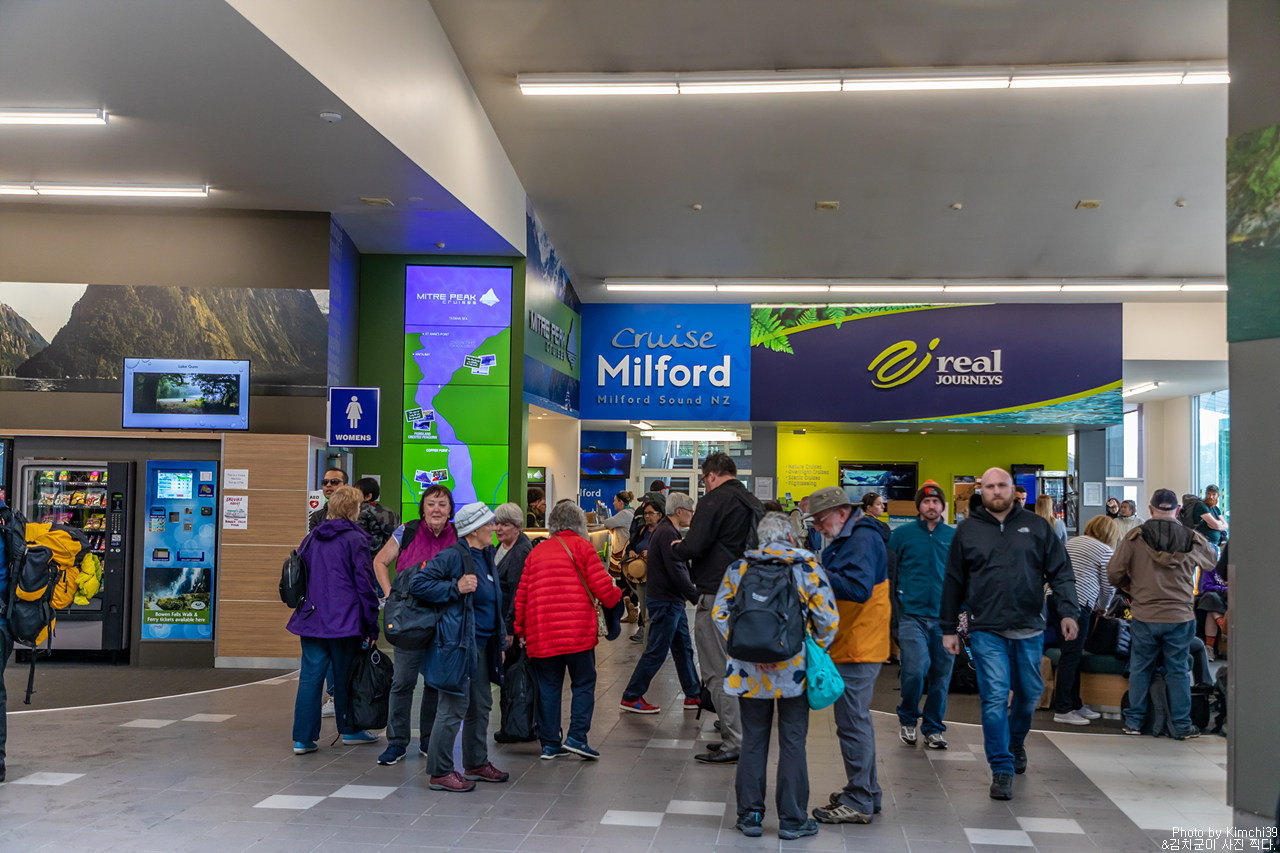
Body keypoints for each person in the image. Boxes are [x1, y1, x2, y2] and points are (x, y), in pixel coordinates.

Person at [941, 467, 1079, 802]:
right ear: (982, 491)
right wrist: (948, 628)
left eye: (1002, 485)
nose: (996, 491)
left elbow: (1061, 571)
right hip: (986, 628)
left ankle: (1015, 741)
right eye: (989, 486)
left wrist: (1068, 611)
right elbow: (954, 580)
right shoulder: (968, 530)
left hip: (1029, 625)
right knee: (994, 698)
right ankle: (1001, 767)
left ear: (1013, 489)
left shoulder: (1037, 527)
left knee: (1030, 694)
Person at [713, 513, 839, 841]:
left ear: (760, 538)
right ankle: (793, 820)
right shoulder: (806, 567)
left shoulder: (739, 568)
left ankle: (750, 816)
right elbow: (828, 620)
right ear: (791, 537)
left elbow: (719, 613)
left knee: (753, 741)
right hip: (794, 672)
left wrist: (749, 649)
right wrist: (802, 650)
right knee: (793, 742)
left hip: (748, 673)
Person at [801, 487, 889, 825]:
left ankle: (859, 799)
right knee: (856, 721)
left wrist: (816, 572)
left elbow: (858, 589)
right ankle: (868, 792)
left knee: (852, 724)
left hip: (859, 644)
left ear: (841, 513)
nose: (817, 527)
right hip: (856, 641)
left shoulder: (861, 539)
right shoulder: (852, 536)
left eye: (820, 519)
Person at [671, 451, 765, 765]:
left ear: (711, 476)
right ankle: (741, 734)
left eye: (704, 479)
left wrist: (677, 548)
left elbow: (694, 545)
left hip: (717, 594)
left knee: (717, 671)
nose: (705, 484)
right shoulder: (752, 501)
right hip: (748, 595)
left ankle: (734, 742)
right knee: (740, 666)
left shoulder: (714, 501)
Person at [410, 502, 508, 792]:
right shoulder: (454, 556)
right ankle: (440, 772)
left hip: (483, 644)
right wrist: (455, 587)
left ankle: (476, 763)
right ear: (474, 530)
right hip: (459, 645)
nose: (494, 528)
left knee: (481, 704)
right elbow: (419, 584)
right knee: (453, 707)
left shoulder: (486, 554)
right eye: (489, 524)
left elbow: (494, 600)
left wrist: (500, 639)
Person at [516, 500, 623, 760]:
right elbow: (604, 590)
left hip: (542, 634)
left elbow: (522, 596)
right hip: (577, 634)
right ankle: (576, 737)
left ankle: (550, 743)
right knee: (583, 683)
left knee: (548, 687)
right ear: (579, 524)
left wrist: (520, 630)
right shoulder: (583, 548)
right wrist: (618, 597)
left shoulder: (536, 552)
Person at [1108, 489, 1217, 739]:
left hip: (1145, 612)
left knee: (1140, 668)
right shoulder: (1191, 537)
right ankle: (1181, 726)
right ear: (1177, 510)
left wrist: (1130, 586)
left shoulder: (1135, 536)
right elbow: (1212, 562)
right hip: (1180, 615)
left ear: (1150, 509)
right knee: (1177, 670)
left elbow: (1113, 572)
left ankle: (1135, 722)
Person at [287, 486, 381, 755]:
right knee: (345, 678)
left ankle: (303, 739)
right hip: (345, 621)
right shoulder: (355, 540)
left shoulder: (311, 538)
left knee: (310, 678)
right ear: (353, 509)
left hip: (311, 618)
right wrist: (371, 624)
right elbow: (365, 585)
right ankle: (350, 730)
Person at [374, 485, 457, 766]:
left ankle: (428, 740)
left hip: (444, 620)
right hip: (409, 619)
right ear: (423, 509)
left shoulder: (458, 535)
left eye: (442, 504)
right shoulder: (407, 531)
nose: (436, 509)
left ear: (450, 509)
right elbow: (380, 561)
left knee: (435, 682)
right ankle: (396, 742)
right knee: (403, 682)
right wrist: (390, 594)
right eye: (431, 504)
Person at [619, 492, 701, 714]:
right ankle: (631, 696)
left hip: (672, 601)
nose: (692, 515)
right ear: (679, 511)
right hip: (666, 602)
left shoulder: (667, 530)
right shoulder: (666, 533)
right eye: (690, 511)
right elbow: (676, 570)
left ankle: (693, 694)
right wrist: (695, 596)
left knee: (683, 649)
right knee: (656, 651)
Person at [889, 481, 955, 750]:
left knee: (941, 675)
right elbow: (889, 573)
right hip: (911, 615)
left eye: (936, 502)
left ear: (942, 506)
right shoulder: (902, 535)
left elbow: (962, 576)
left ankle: (933, 728)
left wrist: (962, 611)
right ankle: (907, 718)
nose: (931, 506)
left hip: (944, 618)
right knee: (914, 669)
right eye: (926, 502)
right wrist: (893, 610)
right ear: (919, 506)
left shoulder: (953, 536)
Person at [1054, 515, 1121, 725]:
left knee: (1070, 653)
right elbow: (1108, 586)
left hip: (1054, 599)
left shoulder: (1071, 543)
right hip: (1077, 603)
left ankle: (1075, 704)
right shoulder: (1105, 550)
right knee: (1071, 655)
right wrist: (1103, 607)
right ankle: (1063, 708)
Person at [626, 497, 663, 644]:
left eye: (650, 513)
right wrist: (631, 551)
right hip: (640, 576)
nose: (647, 516)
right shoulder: (642, 530)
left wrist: (652, 553)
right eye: (645, 513)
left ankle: (652, 640)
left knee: (653, 611)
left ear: (659, 515)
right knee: (644, 607)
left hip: (657, 577)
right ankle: (648, 639)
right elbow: (631, 545)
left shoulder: (664, 532)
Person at [1197, 543, 1228, 660]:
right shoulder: (1210, 568)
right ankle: (1223, 625)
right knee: (1210, 598)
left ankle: (1209, 647)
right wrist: (1223, 587)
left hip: (1227, 599)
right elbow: (1206, 587)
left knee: (1211, 606)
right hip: (1215, 597)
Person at [355, 476, 400, 557]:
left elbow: (358, 537)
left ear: (368, 496)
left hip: (365, 554)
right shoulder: (384, 511)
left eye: (356, 493)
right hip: (380, 555)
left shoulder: (362, 511)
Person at [1192, 485, 1228, 553]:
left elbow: (1226, 526)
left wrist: (1217, 525)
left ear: (1218, 495)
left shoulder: (1216, 509)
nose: (1211, 497)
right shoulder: (1201, 506)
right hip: (1204, 544)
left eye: (1214, 494)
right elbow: (1216, 525)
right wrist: (1219, 524)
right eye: (1209, 494)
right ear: (1205, 494)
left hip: (1215, 545)